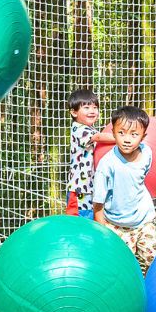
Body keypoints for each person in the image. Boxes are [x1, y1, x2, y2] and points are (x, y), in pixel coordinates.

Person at [93, 105, 156, 268]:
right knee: (122, 268)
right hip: (117, 225)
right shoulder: (106, 165)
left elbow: (140, 179)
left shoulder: (147, 153)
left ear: (143, 137)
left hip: (144, 220)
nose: (127, 139)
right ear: (113, 133)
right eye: (121, 133)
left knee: (154, 258)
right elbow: (98, 204)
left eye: (134, 134)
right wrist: (104, 234)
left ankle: (152, 289)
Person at [65, 88, 111, 220]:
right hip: (79, 188)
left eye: (95, 107)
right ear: (74, 112)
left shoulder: (90, 128)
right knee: (78, 222)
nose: (92, 111)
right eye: (86, 107)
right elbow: (97, 137)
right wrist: (120, 137)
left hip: (91, 187)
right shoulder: (78, 128)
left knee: (91, 221)